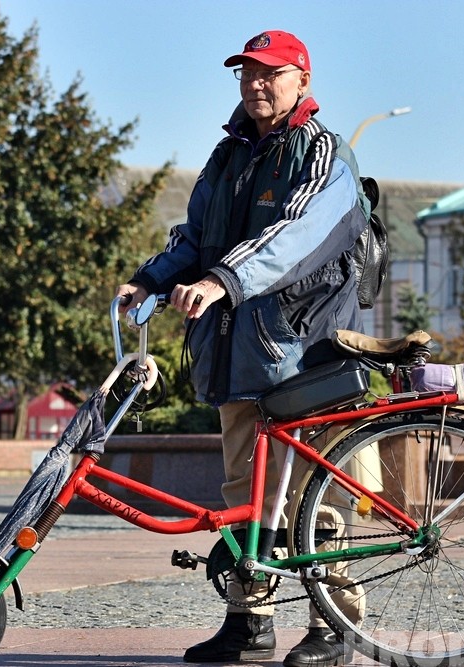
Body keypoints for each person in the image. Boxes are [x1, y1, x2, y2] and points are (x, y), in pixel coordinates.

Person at [115, 30, 370, 667]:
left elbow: (297, 234)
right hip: (237, 352)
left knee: (316, 495)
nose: (257, 83)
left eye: (271, 73)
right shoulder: (227, 156)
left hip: (304, 349)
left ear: (302, 81)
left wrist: (222, 281)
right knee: (243, 494)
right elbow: (195, 234)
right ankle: (248, 624)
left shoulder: (322, 153)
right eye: (247, 73)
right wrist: (152, 277)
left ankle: (333, 625)